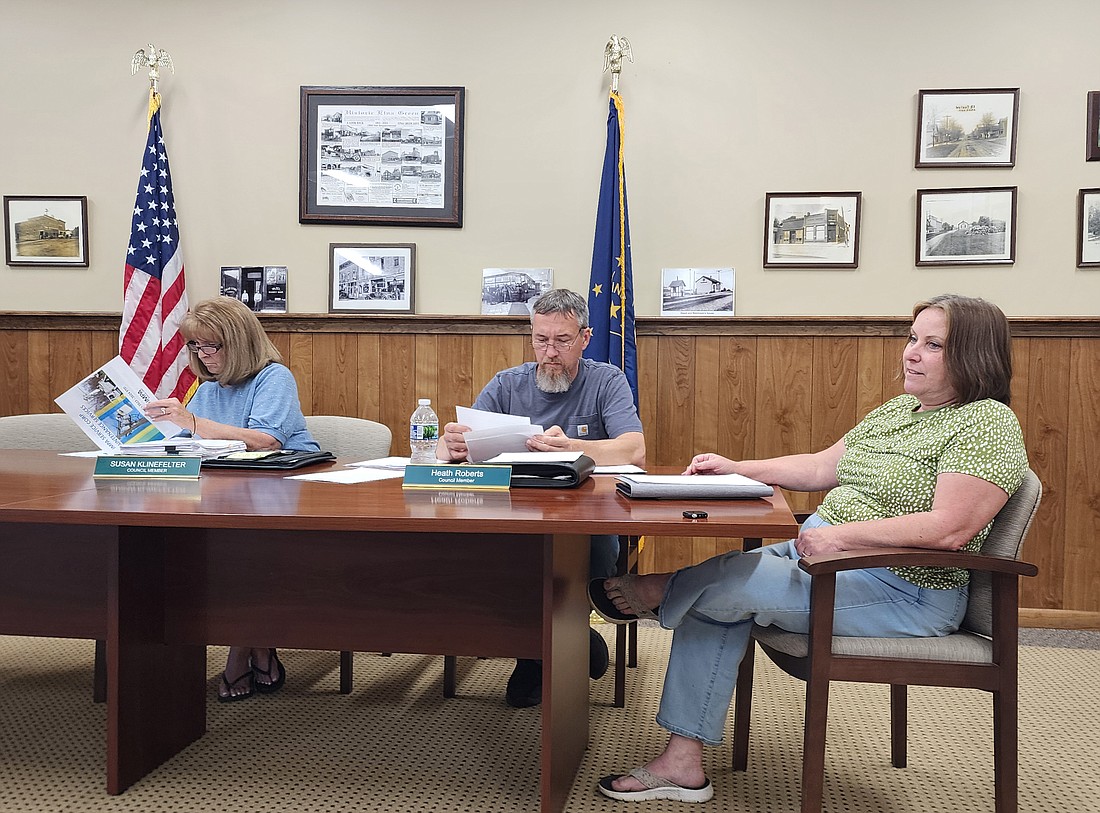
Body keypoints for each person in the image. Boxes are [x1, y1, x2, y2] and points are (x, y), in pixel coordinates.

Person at [589, 294, 1028, 803]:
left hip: (904, 587)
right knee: (722, 593)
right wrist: (738, 466)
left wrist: (843, 537)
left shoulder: (988, 424)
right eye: (913, 339)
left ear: (975, 357)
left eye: (933, 345)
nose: (911, 353)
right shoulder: (900, 411)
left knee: (724, 585)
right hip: (824, 555)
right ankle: (683, 765)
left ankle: (652, 590)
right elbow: (823, 467)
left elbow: (948, 529)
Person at [438, 288, 646, 707]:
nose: (549, 352)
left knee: (574, 568)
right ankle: (557, 643)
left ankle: (541, 653)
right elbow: (460, 444)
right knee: (482, 558)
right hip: (511, 516)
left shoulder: (607, 380)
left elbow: (634, 449)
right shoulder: (506, 384)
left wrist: (573, 448)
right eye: (540, 340)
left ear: (585, 338)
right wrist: (451, 444)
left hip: (586, 522)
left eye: (562, 341)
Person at [144, 296, 319, 703]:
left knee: (243, 554)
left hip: (280, 494)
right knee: (193, 553)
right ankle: (258, 647)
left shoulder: (273, 377)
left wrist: (193, 422)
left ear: (238, 342)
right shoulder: (207, 389)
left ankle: (239, 652)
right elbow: (192, 443)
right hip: (224, 493)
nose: (204, 356)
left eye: (212, 346)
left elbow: (266, 440)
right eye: (196, 347)